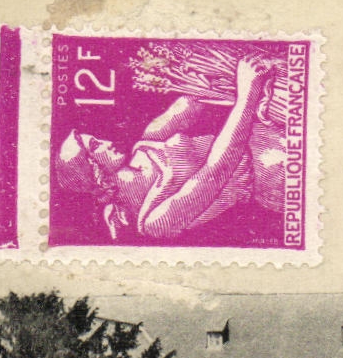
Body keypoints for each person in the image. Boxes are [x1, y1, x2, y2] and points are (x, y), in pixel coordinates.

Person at [53, 55, 285, 242]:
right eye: (95, 146)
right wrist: (248, 92)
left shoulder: (146, 144)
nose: (103, 141)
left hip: (262, 128)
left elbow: (191, 100)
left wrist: (189, 70)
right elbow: (218, 169)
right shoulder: (154, 221)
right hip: (273, 174)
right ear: (95, 174)